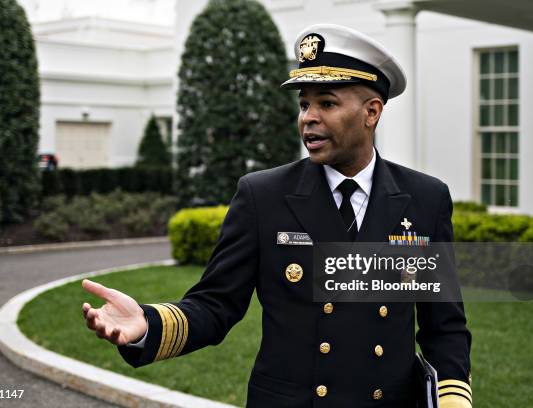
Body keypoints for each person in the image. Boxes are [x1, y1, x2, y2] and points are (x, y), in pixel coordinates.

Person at [82, 24, 472, 408]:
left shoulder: (425, 199)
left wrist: (453, 400)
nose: (308, 117)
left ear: (371, 112)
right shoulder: (263, 196)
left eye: (327, 103)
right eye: (304, 104)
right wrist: (147, 325)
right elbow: (216, 305)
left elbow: (444, 326)